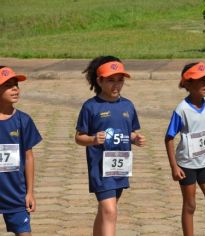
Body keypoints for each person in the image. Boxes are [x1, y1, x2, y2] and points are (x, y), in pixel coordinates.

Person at [75, 56, 145, 236]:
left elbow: (126, 132)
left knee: (106, 211)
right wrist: (92, 140)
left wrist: (134, 138)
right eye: (111, 80)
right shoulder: (91, 107)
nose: (116, 85)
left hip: (121, 166)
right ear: (99, 81)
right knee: (110, 211)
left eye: (120, 80)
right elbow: (79, 137)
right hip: (100, 168)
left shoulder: (128, 106)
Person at [164, 62, 205, 236]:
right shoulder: (182, 110)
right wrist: (174, 167)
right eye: (202, 81)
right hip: (186, 165)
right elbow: (169, 138)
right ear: (189, 83)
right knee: (190, 205)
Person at [0, 66, 42, 236]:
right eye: (8, 85)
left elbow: (28, 157)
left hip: (15, 194)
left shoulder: (23, 120)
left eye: (16, 84)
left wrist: (30, 192)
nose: (15, 88)